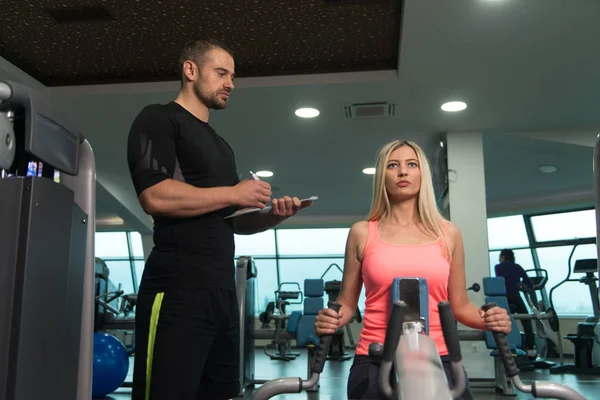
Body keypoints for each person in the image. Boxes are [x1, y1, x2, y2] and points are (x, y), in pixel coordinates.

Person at [126, 38, 312, 400]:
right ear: (191, 70)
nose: (230, 83)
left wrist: (274, 216)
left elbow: (233, 220)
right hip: (177, 287)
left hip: (222, 294)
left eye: (233, 76)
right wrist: (233, 193)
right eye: (222, 73)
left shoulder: (221, 146)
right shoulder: (158, 118)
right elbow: (154, 196)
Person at [314, 140, 512, 400]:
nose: (403, 172)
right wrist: (331, 319)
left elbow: (461, 306)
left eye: (412, 164)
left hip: (438, 357)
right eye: (393, 165)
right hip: (374, 357)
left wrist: (491, 320)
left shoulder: (449, 234)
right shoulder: (362, 232)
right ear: (382, 176)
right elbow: (347, 304)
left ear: (423, 175)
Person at [494, 249, 538, 356]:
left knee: (501, 321)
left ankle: (503, 345)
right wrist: (522, 285)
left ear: (503, 257)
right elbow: (529, 283)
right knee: (526, 320)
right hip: (515, 296)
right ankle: (531, 349)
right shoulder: (517, 267)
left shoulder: (497, 267)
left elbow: (500, 280)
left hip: (503, 298)